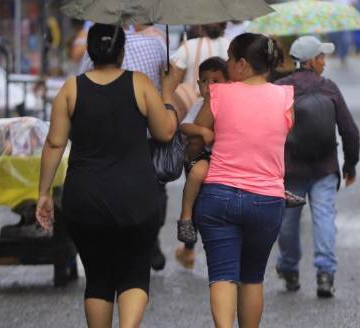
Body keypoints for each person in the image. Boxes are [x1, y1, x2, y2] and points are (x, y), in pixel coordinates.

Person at [36, 23, 178, 328]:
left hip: (84, 197)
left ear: (89, 52)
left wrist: (44, 193)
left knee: (98, 278)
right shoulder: (140, 84)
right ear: (122, 52)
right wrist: (167, 92)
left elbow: (55, 143)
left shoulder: (71, 89)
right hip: (136, 196)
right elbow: (165, 131)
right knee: (135, 273)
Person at [191, 34, 293, 328]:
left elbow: (198, 134)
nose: (226, 65)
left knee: (222, 274)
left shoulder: (219, 94)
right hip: (266, 199)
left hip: (219, 194)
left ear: (243, 64)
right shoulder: (285, 97)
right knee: (252, 278)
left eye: (230, 59)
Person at [274, 36, 360, 298]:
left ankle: (288, 268)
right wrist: (351, 164)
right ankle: (325, 274)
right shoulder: (330, 88)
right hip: (324, 167)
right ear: (310, 61)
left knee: (287, 222)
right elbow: (350, 131)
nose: (324, 62)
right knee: (324, 218)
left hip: (291, 170)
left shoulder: (279, 89)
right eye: (321, 57)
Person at [78, 24, 170, 270]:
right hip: (148, 134)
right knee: (155, 189)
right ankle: (148, 237)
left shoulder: (93, 50)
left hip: (106, 136)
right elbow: (165, 81)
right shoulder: (157, 44)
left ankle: (118, 242)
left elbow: (82, 84)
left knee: (111, 185)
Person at [175, 57, 230, 269]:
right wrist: (202, 130)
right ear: (198, 84)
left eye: (215, 81)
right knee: (197, 172)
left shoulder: (229, 103)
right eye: (204, 82)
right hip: (206, 156)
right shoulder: (200, 104)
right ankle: (186, 216)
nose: (209, 87)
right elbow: (184, 127)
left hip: (226, 156)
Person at [169, 23, 230, 117]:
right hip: (223, 107)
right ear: (224, 26)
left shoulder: (188, 46)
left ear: (200, 26)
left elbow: (173, 83)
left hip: (190, 106)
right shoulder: (229, 46)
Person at [321, 0, 359, 64]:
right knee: (333, 36)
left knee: (346, 37)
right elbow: (325, 0)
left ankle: (343, 55)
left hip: (346, 16)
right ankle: (337, 52)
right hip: (333, 16)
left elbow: (355, 1)